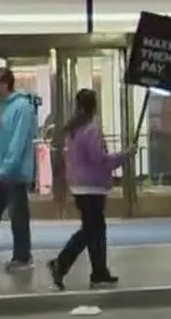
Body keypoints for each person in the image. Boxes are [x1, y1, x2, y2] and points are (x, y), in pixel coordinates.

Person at [48, 89, 133, 291]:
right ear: (94, 105)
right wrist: (125, 155)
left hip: (79, 185)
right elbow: (100, 160)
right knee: (90, 230)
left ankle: (99, 271)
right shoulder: (91, 130)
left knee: (96, 229)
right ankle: (61, 263)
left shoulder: (74, 130)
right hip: (93, 186)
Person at [0, 68, 39, 271]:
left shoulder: (22, 107)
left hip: (14, 174)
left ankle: (22, 257)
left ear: (5, 84)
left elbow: (18, 141)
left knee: (18, 217)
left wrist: (7, 167)